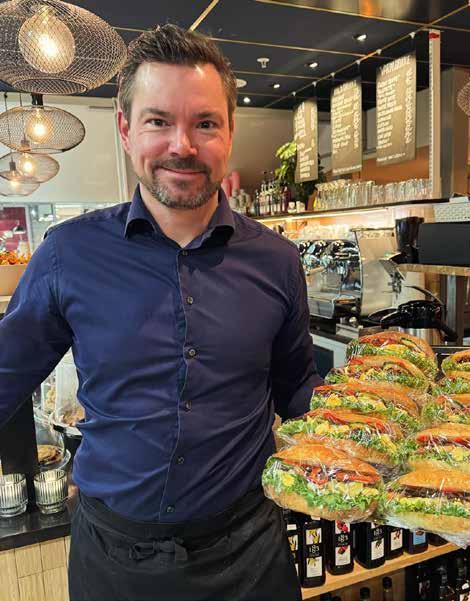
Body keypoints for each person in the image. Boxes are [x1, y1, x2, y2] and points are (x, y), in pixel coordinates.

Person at [0, 24, 322, 601]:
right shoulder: (68, 254)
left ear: (229, 131)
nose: (183, 145)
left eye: (205, 123)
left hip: (249, 554)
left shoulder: (277, 260)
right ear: (126, 129)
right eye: (158, 121)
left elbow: (298, 388)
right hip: (114, 560)